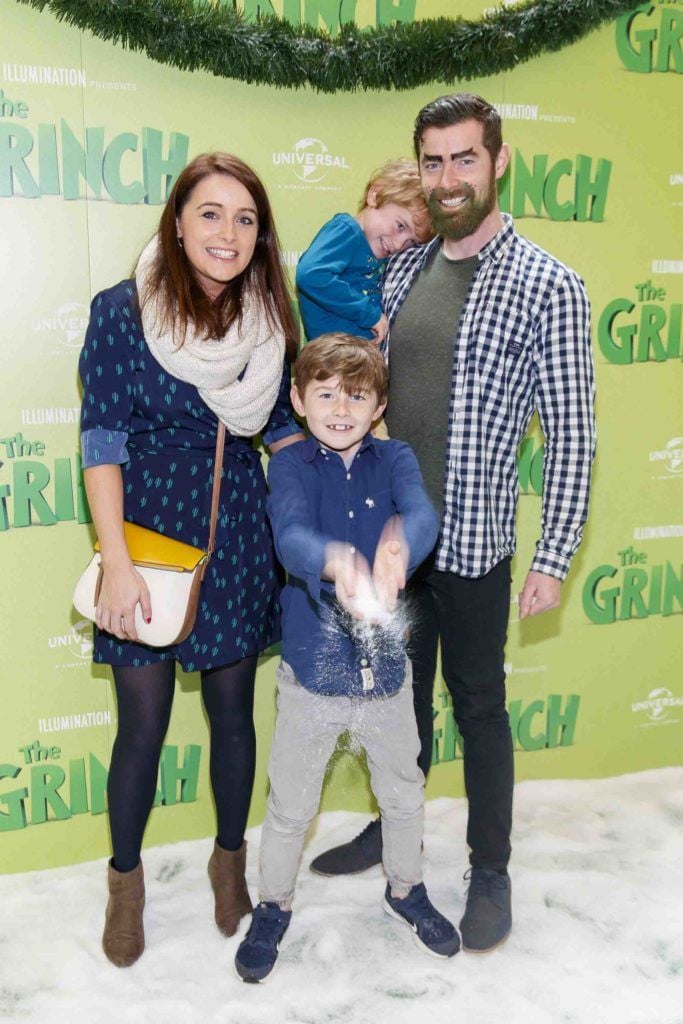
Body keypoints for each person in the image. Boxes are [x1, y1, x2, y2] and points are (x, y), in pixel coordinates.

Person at [310, 94, 596, 954]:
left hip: (473, 546)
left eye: (463, 159)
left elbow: (573, 431)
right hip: (395, 542)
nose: (447, 179)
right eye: (431, 162)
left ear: (498, 161)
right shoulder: (398, 270)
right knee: (395, 702)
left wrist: (554, 553)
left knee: (478, 708)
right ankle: (393, 830)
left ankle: (492, 868)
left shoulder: (548, 283)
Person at [78, 152, 303, 968]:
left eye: (245, 219)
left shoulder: (270, 326)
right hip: (145, 543)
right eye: (210, 213)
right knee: (140, 723)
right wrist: (114, 561)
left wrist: (339, 466)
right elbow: (100, 441)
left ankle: (228, 865)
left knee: (233, 718)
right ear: (177, 221)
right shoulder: (120, 312)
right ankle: (125, 885)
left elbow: (279, 429)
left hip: (238, 535)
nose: (228, 233)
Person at [234, 334, 459, 984]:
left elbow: (420, 515)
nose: (340, 408)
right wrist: (335, 558)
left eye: (356, 395)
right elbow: (292, 533)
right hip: (312, 676)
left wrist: (398, 548)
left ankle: (405, 887)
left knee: (404, 795)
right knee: (290, 809)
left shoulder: (396, 459)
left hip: (387, 674)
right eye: (325, 394)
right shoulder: (293, 466)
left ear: (377, 403)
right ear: (299, 401)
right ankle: (273, 905)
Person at [296, 159, 434, 348]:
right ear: (375, 196)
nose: (400, 244)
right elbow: (310, 274)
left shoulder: (377, 248)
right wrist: (370, 315)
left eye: (412, 242)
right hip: (334, 361)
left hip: (359, 359)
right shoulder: (347, 230)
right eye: (400, 225)